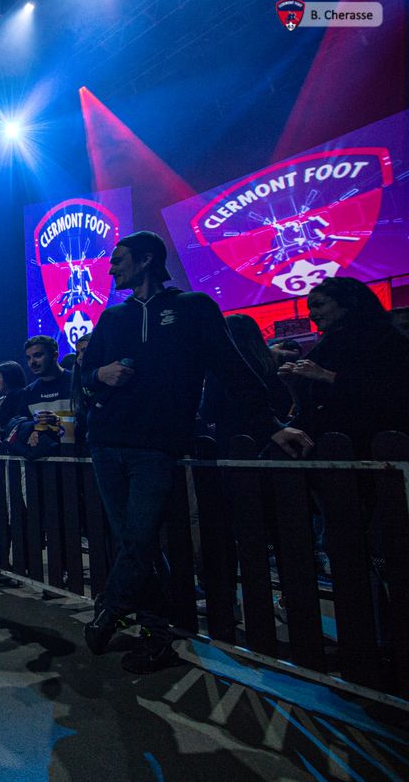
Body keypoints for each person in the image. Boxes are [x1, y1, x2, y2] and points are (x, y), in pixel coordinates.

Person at [80, 230, 313, 674]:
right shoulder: (112, 318)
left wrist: (273, 426)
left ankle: (111, 607)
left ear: (146, 260)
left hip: (158, 445)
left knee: (140, 539)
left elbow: (233, 370)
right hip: (105, 442)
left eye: (119, 259)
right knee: (136, 543)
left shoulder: (195, 308)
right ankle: (155, 635)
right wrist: (100, 374)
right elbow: (87, 374)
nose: (111, 268)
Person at [279, 278, 409, 455]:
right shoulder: (324, 346)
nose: (311, 314)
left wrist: (326, 375)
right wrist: (293, 383)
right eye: (310, 308)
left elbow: (391, 389)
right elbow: (307, 406)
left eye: (319, 305)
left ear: (348, 303)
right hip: (330, 446)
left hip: (375, 443)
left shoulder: (383, 339)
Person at [200, 314, 291, 443]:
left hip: (235, 442)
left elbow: (209, 411)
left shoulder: (221, 367)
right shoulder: (275, 362)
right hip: (277, 438)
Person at [20, 336, 76, 446]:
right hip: (45, 460)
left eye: (37, 355)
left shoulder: (76, 383)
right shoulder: (30, 392)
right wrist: (30, 431)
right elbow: (23, 423)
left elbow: (91, 423)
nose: (32, 362)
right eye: (28, 358)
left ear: (54, 355)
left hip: (79, 456)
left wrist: (59, 422)